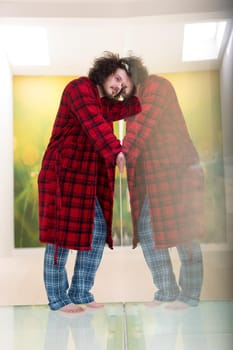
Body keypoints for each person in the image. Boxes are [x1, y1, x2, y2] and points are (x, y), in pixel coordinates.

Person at [38, 52, 141, 313]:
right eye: (117, 78)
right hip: (61, 173)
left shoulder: (101, 103)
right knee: (60, 237)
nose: (118, 86)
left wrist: (137, 91)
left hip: (84, 180)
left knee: (96, 232)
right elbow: (94, 123)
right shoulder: (79, 88)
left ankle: (81, 292)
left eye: (122, 85)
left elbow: (125, 108)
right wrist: (116, 150)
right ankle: (58, 299)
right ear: (104, 70)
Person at [121, 55, 205, 309]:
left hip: (178, 173)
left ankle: (189, 296)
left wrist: (121, 152)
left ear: (132, 73)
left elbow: (143, 126)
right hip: (153, 181)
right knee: (147, 232)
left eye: (119, 78)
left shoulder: (157, 86)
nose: (117, 87)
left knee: (184, 234)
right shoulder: (131, 106)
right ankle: (167, 291)